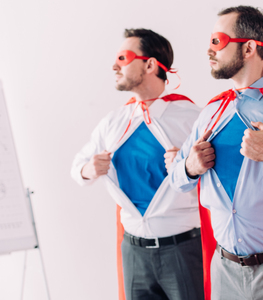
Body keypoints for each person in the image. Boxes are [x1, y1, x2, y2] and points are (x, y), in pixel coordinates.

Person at [168, 6, 263, 300]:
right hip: (223, 270)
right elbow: (176, 179)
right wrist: (190, 166)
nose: (209, 50)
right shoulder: (211, 112)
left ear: (249, 47)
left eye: (217, 41)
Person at [71, 28, 204, 300]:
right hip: (133, 252)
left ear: (150, 64)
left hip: (183, 249)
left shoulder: (192, 118)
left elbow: (220, 179)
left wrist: (188, 166)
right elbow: (77, 167)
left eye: (123, 57)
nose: (114, 65)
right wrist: (89, 169)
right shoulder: (114, 122)